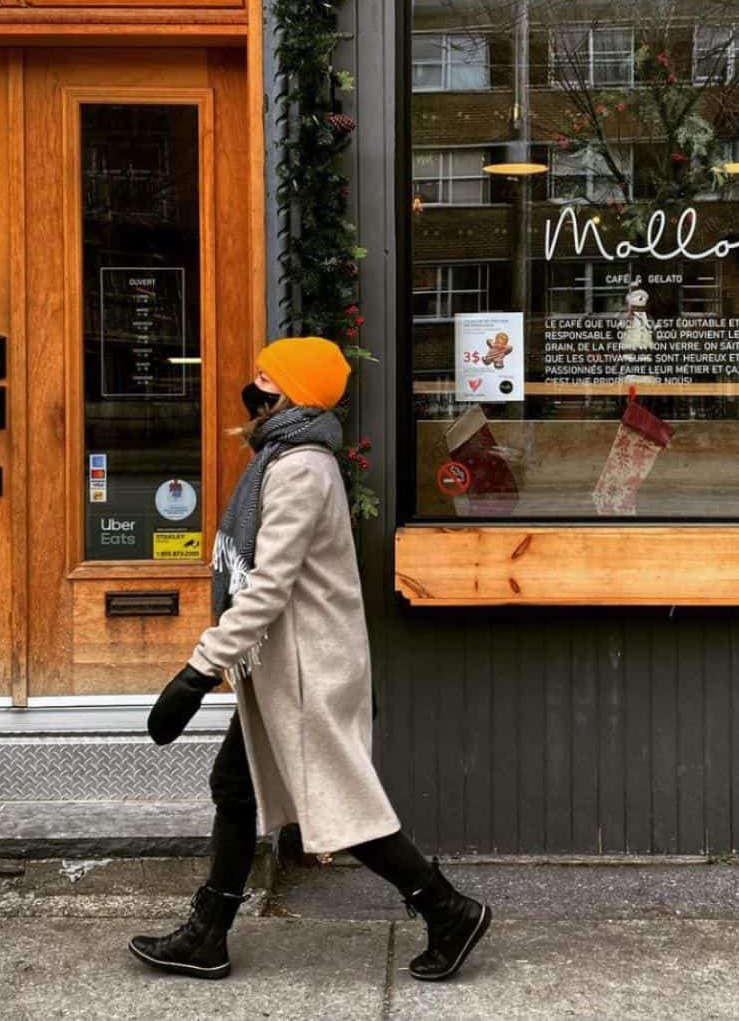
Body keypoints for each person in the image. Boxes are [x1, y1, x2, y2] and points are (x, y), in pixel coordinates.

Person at [129, 336, 492, 983]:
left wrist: (198, 667)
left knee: (341, 806)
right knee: (236, 787)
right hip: (286, 666)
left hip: (306, 670)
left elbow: (268, 584)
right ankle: (208, 933)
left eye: (266, 377)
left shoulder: (298, 466)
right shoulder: (284, 456)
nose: (254, 387)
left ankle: (449, 910)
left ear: (292, 391)